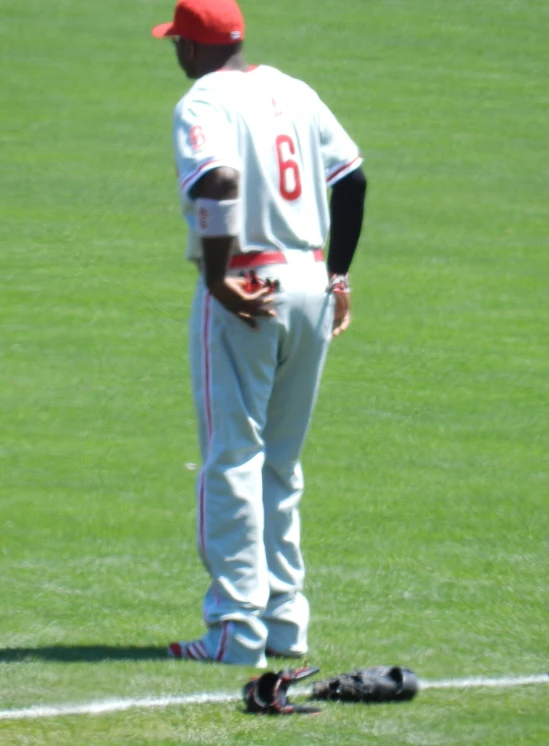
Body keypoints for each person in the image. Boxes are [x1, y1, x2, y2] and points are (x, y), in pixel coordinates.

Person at [152, 0, 367, 668]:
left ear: (190, 47)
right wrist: (337, 278)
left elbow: (217, 179)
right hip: (307, 284)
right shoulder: (292, 90)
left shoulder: (202, 101)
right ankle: (283, 625)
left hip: (249, 290)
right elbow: (351, 179)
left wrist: (218, 280)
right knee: (279, 462)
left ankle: (234, 631)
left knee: (232, 459)